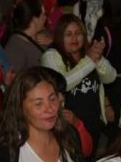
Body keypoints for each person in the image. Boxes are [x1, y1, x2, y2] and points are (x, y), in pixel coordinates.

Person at [41, 14, 117, 152]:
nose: (74, 38)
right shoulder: (51, 56)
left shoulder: (88, 54)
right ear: (59, 36)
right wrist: (89, 61)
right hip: (68, 127)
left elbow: (110, 77)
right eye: (68, 34)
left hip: (94, 125)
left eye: (78, 33)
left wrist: (98, 59)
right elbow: (62, 84)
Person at [4, 0, 48, 73]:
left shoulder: (43, 36)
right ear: (34, 20)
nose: (46, 18)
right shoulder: (15, 47)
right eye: (43, 15)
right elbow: (12, 79)